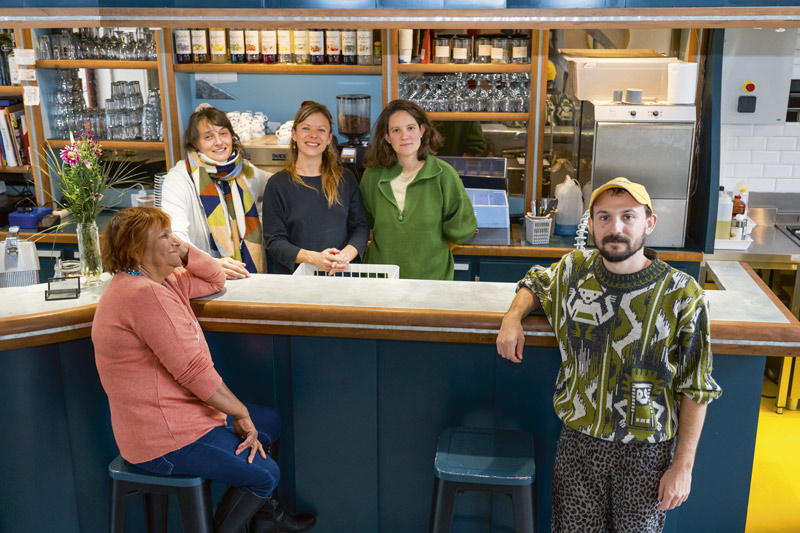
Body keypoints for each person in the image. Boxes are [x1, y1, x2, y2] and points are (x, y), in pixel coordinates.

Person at [496, 177, 722, 533]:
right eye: (604, 217)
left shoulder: (682, 294)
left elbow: (696, 387)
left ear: (649, 222)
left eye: (627, 217)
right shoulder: (575, 270)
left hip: (646, 453)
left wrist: (683, 466)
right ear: (591, 224)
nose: (615, 228)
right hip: (578, 444)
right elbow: (536, 281)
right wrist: (513, 316)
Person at [92, 207, 315, 533]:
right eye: (165, 236)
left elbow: (215, 276)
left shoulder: (162, 282)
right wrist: (238, 412)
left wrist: (185, 250)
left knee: (268, 422)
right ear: (138, 250)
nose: (175, 241)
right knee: (265, 475)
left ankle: (266, 521)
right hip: (163, 439)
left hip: (181, 418)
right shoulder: (143, 297)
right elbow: (193, 372)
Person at [360, 99, 477, 280]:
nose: (404, 136)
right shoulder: (372, 176)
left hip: (431, 279)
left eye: (411, 128)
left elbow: (462, 229)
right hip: (380, 280)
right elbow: (363, 222)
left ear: (422, 131)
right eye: (396, 130)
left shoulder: (444, 175)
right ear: (387, 137)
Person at [161, 105, 270, 279]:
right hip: (201, 278)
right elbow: (174, 236)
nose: (219, 142)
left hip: (246, 277)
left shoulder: (244, 171)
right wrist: (210, 264)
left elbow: (278, 184)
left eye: (223, 133)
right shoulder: (179, 178)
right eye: (208, 136)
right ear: (195, 143)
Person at [262, 101, 369, 274]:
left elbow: (361, 227)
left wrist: (343, 257)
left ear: (329, 138)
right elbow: (275, 241)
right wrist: (314, 259)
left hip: (341, 275)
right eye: (306, 128)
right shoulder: (277, 184)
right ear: (294, 134)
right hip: (296, 280)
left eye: (321, 130)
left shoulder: (345, 179)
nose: (313, 135)